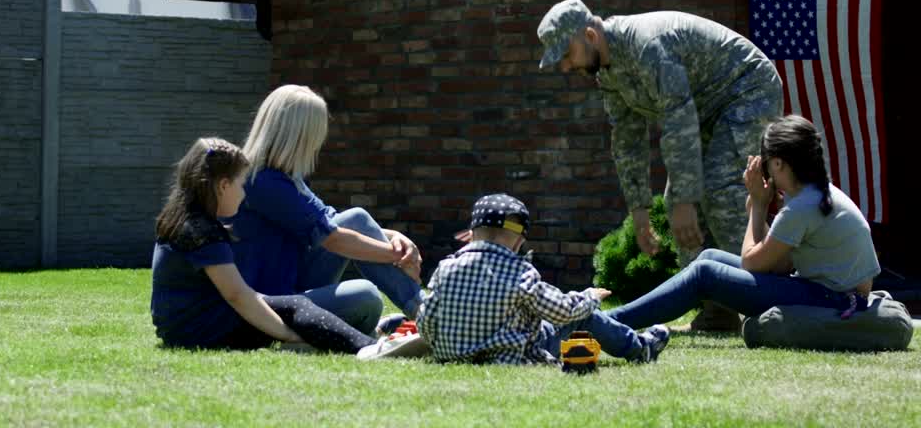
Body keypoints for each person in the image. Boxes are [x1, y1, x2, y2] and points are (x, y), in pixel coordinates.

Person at [536, 0, 783, 332]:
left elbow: (678, 122)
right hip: (703, 110)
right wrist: (639, 210)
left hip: (746, 89)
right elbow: (627, 139)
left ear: (591, 36)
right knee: (674, 202)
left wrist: (686, 199)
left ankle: (772, 302)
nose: (566, 67)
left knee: (719, 191)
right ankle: (719, 307)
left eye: (567, 54)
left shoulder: (647, 47)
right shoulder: (608, 73)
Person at [603, 115, 882, 331]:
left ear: (779, 164)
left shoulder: (801, 207)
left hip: (836, 300)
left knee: (705, 274)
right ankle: (615, 319)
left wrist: (757, 206)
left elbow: (751, 263)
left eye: (768, 162)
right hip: (834, 293)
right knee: (710, 256)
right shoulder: (816, 195)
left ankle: (611, 321)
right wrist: (759, 208)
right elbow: (778, 265)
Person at [229, 85, 424, 337]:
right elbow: (334, 238)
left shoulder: (285, 178)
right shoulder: (263, 183)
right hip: (267, 306)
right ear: (299, 134)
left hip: (289, 286)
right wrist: (396, 256)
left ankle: (423, 309)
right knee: (365, 296)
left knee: (356, 217)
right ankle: (430, 315)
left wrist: (396, 239)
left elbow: (337, 223)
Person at [149, 137, 375, 354]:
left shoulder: (183, 220)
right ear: (223, 186)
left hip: (186, 327)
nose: (243, 193)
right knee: (294, 306)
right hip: (204, 329)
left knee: (289, 306)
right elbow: (237, 295)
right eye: (241, 184)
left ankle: (365, 340)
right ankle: (369, 347)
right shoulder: (202, 231)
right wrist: (289, 336)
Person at [412, 193, 670, 365]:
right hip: (511, 356)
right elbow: (562, 311)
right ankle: (639, 348)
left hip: (452, 355)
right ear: (519, 239)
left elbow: (425, 323)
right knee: (584, 316)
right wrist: (589, 297)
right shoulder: (519, 272)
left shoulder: (445, 268)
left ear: (471, 233)